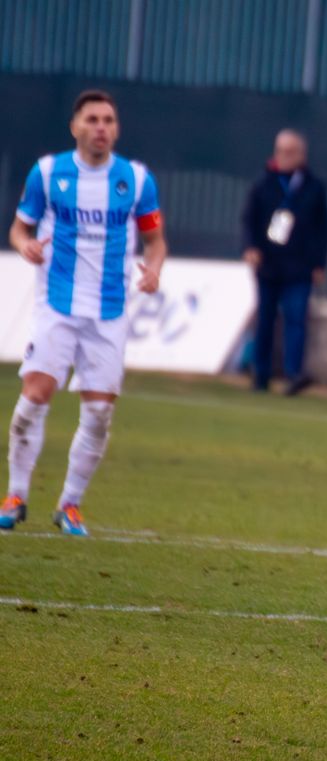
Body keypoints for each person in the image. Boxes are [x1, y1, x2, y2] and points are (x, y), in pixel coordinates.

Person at [0, 89, 167, 537]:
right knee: (34, 397)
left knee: (98, 414)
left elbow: (155, 241)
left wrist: (153, 270)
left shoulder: (136, 180)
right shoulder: (47, 173)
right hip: (57, 305)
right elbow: (19, 228)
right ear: (75, 126)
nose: (101, 128)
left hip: (109, 312)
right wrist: (25, 246)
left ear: (117, 129)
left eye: (108, 120)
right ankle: (15, 495)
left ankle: (69, 505)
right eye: (92, 120)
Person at [241, 129, 327, 395]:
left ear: (301, 155)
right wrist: (250, 248)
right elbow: (249, 219)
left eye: (290, 152)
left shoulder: (314, 188)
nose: (283, 157)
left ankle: (294, 374)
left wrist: (319, 264)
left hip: (299, 267)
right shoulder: (263, 183)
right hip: (268, 265)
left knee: (296, 319)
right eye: (280, 151)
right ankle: (260, 374)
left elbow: (323, 229)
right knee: (265, 319)